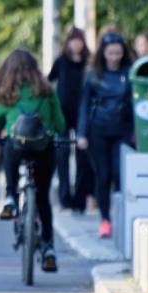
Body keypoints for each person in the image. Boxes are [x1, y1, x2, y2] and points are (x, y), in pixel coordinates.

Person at [0, 48, 65, 272]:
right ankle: (48, 249)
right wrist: (53, 131)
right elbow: (60, 123)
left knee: (8, 145)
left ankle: (9, 197)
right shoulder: (47, 91)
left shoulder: (8, 94)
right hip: (44, 149)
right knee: (43, 198)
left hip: (17, 149)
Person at [77, 32, 134, 238]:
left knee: (120, 173)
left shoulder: (130, 72)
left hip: (122, 130)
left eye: (118, 53)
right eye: (111, 53)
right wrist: (81, 133)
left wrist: (136, 131)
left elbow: (136, 104)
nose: (114, 57)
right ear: (103, 53)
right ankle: (105, 220)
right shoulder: (93, 74)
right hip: (98, 130)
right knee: (103, 175)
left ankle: (121, 216)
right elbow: (84, 105)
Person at [48, 27, 94, 213]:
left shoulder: (89, 63)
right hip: (63, 113)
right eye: (72, 40)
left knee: (83, 155)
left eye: (79, 40)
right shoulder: (61, 62)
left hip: (83, 113)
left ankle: (80, 198)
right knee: (62, 153)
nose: (76, 44)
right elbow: (49, 80)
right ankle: (65, 197)